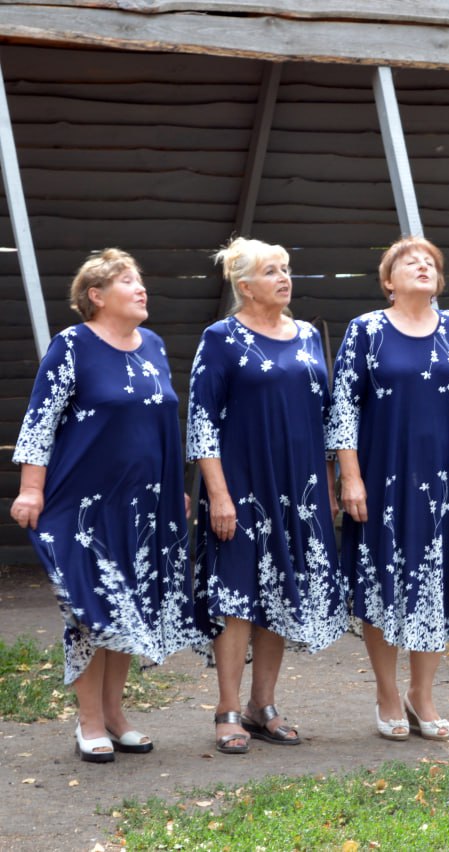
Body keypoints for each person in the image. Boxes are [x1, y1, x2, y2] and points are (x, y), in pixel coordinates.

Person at [11, 249, 202, 762]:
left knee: (130, 609)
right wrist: (31, 489)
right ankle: (88, 720)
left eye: (140, 280)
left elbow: (161, 425)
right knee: (90, 611)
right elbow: (40, 421)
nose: (140, 288)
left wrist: (172, 486)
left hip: (145, 504)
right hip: (83, 505)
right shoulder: (72, 346)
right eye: (126, 281)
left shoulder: (154, 346)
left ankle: (116, 715)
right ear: (95, 296)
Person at [326, 236, 449, 741]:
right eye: (409, 262)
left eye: (431, 263)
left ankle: (422, 694)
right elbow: (344, 410)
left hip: (443, 478)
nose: (422, 266)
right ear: (388, 281)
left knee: (435, 585)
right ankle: (385, 691)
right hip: (381, 476)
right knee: (383, 582)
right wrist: (349, 477)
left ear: (440, 281)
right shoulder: (366, 330)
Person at [188, 237, 346, 754]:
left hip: (299, 488)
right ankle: (227, 708)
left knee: (282, 590)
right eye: (272, 270)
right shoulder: (220, 337)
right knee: (237, 595)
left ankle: (263, 705)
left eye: (287, 268)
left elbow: (325, 417)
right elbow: (202, 421)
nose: (285, 277)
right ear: (245, 285)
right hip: (241, 485)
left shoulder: (305, 335)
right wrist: (219, 493)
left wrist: (328, 484)